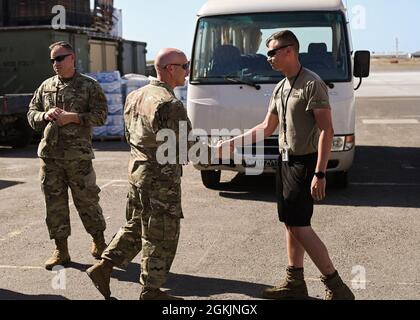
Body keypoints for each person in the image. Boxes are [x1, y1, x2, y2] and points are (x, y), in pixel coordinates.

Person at [219, 30, 355, 300]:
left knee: (300, 225)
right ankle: (295, 282)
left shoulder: (311, 84)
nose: (268, 57)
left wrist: (320, 172)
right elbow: (267, 127)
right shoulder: (281, 86)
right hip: (285, 163)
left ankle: (336, 286)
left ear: (290, 51)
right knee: (290, 224)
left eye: (272, 52)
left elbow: (327, 130)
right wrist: (233, 142)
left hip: (304, 164)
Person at [86, 48, 196, 300]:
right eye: (184, 66)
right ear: (170, 69)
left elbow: (130, 136)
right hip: (160, 178)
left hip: (137, 172)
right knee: (162, 233)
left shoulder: (135, 95)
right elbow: (187, 148)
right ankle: (151, 290)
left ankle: (104, 266)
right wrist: (224, 151)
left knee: (136, 224)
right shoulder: (169, 104)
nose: (187, 71)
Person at [27, 41, 108, 271]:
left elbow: (101, 116)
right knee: (55, 205)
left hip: (78, 158)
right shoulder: (46, 86)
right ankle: (61, 250)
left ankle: (99, 243)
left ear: (72, 58)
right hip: (50, 158)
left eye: (59, 58)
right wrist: (44, 115)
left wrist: (74, 117)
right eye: (52, 60)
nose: (55, 64)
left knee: (88, 201)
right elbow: (31, 114)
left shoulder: (89, 86)